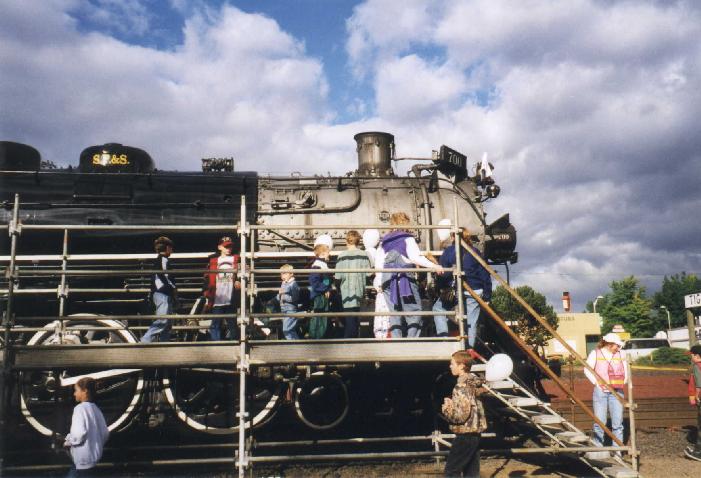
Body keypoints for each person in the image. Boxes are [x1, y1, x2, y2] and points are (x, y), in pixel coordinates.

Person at [374, 212, 440, 338]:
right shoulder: (407, 238)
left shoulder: (384, 241)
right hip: (404, 279)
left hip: (386, 279)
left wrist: (378, 281)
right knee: (414, 312)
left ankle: (397, 342)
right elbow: (415, 257)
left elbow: (379, 263)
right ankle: (411, 342)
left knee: (394, 314)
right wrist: (434, 266)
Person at [433, 220, 492, 348]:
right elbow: (485, 274)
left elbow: (444, 274)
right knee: (471, 321)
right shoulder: (475, 252)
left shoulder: (449, 252)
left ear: (453, 237)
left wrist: (440, 288)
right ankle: (469, 349)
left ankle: (444, 342)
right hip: (475, 291)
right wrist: (487, 295)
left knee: (438, 309)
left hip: (456, 290)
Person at [441, 350, 487, 477]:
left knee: (451, 471)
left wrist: (447, 409)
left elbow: (461, 415)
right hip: (475, 433)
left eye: (452, 363)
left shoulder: (461, 386)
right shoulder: (473, 383)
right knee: (471, 473)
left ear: (461, 366)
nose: (450, 366)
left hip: (465, 434)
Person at [583, 332, 629, 448]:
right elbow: (587, 369)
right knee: (599, 422)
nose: (618, 348)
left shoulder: (621, 354)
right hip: (601, 392)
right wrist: (596, 383)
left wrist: (623, 381)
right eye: (617, 345)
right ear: (609, 344)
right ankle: (598, 448)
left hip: (617, 391)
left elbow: (626, 370)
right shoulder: (595, 353)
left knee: (618, 424)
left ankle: (617, 450)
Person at [64, 377, 109, 477]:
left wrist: (68, 441)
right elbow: (105, 433)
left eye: (76, 390)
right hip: (93, 459)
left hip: (82, 459)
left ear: (85, 391)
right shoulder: (96, 409)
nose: (74, 394)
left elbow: (78, 434)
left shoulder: (79, 409)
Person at [203, 236, 241, 341]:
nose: (229, 249)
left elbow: (244, 273)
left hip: (230, 298)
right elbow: (206, 278)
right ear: (220, 247)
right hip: (217, 299)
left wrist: (239, 280)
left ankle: (234, 345)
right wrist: (207, 295)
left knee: (232, 325)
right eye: (226, 246)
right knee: (215, 324)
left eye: (230, 246)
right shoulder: (213, 261)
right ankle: (217, 345)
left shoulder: (237, 259)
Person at [335, 230, 372, 338]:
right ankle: (355, 341)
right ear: (358, 241)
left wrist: (337, 289)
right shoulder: (364, 255)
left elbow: (338, 277)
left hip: (346, 292)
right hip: (359, 291)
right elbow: (369, 274)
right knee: (355, 319)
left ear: (347, 241)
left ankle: (349, 342)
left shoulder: (342, 256)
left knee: (349, 321)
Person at [141, 236, 177, 343]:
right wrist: (174, 288)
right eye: (171, 248)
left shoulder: (159, 260)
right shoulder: (163, 260)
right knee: (163, 320)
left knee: (167, 322)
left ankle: (163, 343)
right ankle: (145, 341)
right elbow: (165, 276)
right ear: (167, 248)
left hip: (162, 293)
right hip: (163, 293)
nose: (172, 250)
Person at [363, 229, 390, 339]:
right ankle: (385, 333)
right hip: (383, 284)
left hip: (380, 284)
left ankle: (381, 334)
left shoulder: (376, 252)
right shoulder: (380, 251)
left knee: (381, 311)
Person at [308, 243, 332, 339]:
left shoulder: (320, 265)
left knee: (321, 316)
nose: (329, 254)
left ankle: (319, 336)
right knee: (320, 316)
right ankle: (317, 337)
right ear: (322, 253)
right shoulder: (318, 266)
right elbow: (315, 282)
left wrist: (327, 288)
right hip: (319, 295)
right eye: (328, 253)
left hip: (321, 294)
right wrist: (326, 288)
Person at [684, 344, 701, 461]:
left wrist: (697, 395)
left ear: (697, 356)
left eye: (692, 355)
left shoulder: (696, 366)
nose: (691, 357)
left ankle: (698, 453)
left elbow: (699, 383)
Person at [278, 264, 301, 340]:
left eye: (285, 273)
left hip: (290, 309)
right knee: (289, 330)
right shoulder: (283, 283)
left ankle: (295, 345)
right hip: (284, 308)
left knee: (287, 330)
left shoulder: (293, 284)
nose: (282, 275)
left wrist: (283, 296)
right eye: (281, 273)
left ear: (291, 274)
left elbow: (295, 298)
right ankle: (296, 344)